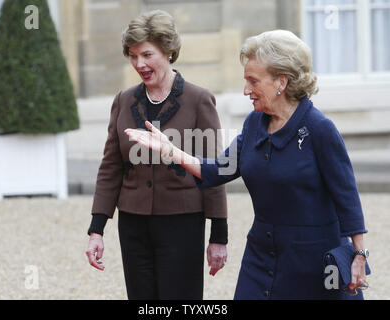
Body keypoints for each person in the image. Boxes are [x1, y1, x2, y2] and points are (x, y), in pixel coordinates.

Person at [125, 30, 370, 300]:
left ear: (281, 81)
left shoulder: (319, 129)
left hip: (314, 263)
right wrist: (171, 151)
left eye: (253, 81)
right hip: (261, 256)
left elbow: (347, 196)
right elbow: (220, 169)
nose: (246, 90)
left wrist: (359, 255)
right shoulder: (255, 124)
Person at [85, 10, 228, 300]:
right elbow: (111, 166)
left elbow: (215, 170)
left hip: (183, 223)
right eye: (133, 56)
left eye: (147, 54)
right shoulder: (124, 101)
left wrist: (218, 237)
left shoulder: (199, 100)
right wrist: (96, 229)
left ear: (168, 51)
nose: (139, 63)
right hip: (133, 224)